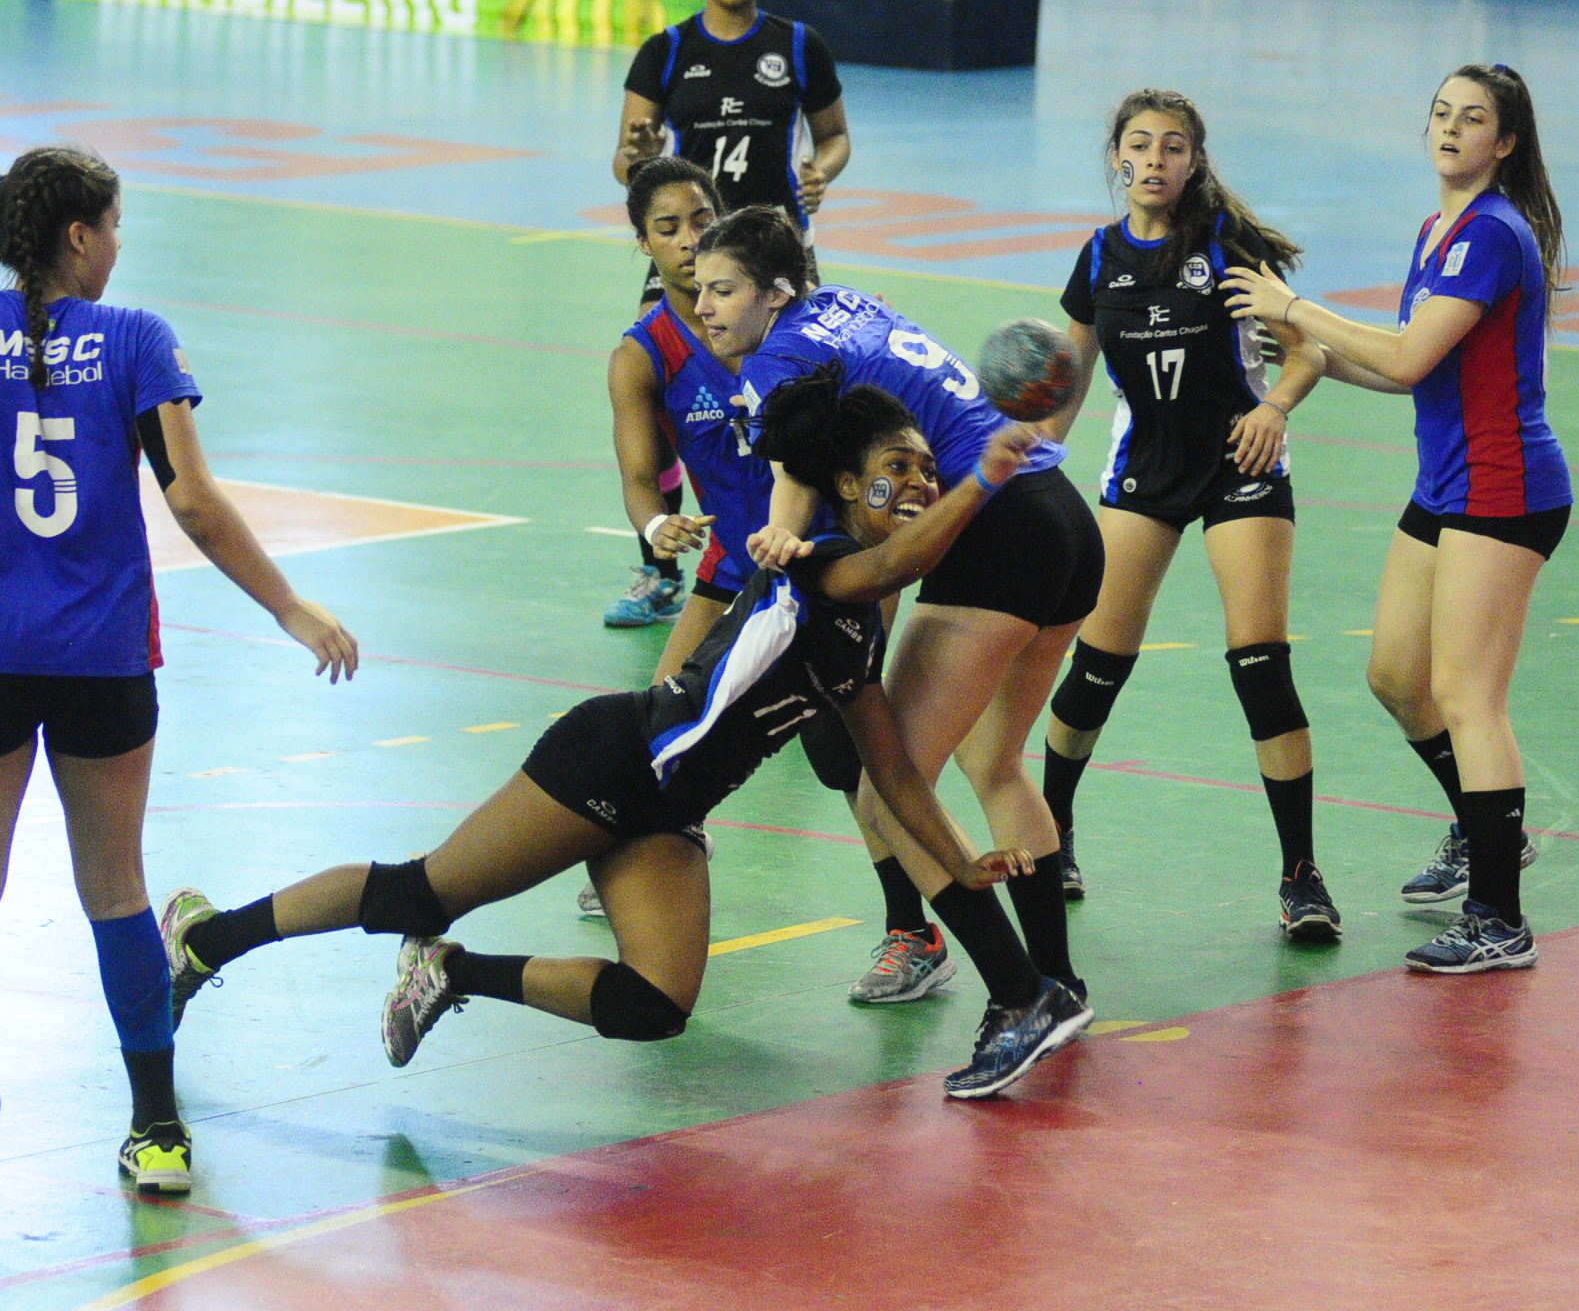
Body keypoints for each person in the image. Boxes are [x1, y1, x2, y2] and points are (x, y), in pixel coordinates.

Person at [162, 373, 1093, 1101]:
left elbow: (890, 768)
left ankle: (450, 976)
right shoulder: (828, 565)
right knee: (420, 891)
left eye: (933, 468)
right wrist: (987, 473)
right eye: (903, 466)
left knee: (654, 1007)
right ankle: (207, 938)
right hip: (608, 763)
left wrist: (963, 866)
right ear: (847, 484)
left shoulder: (859, 621)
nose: (922, 482)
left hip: (669, 807)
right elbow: (903, 556)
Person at [0, 146, 358, 1218]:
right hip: (102, 656)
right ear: (78, 236)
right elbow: (197, 502)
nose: (120, 246)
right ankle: (157, 1130)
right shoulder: (136, 341)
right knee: (117, 888)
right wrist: (289, 606)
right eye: (115, 225)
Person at [697, 205, 1104, 1046]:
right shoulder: (841, 303)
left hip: (995, 529)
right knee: (993, 762)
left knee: (889, 793)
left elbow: (796, 474)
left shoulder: (778, 358)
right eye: (699, 289)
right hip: (1060, 515)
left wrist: (783, 535)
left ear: (775, 292)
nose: (705, 306)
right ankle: (1061, 984)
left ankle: (1017, 992)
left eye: (723, 289)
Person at [1223, 63, 1569, 974]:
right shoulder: (1439, 230)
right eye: (1441, 114)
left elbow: (1413, 355)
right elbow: (1402, 370)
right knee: (1394, 679)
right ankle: (1484, 829)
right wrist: (1316, 354)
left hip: (1505, 489)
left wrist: (1296, 307)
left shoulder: (1494, 234)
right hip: (1448, 486)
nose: (1451, 130)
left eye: (1474, 120)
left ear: (1506, 143)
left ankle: (1500, 917)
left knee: (1468, 698)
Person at [591, 158, 949, 1006]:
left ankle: (915, 930)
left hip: (829, 563)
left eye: (700, 221)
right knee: (662, 726)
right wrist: (655, 529)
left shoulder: (792, 335)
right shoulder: (646, 357)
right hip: (733, 569)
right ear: (640, 241)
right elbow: (644, 475)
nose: (686, 242)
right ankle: (646, 863)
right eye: (668, 228)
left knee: (844, 752)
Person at [1036, 88, 1340, 942]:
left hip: (1240, 463)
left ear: (1194, 162)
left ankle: (1302, 876)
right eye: (1142, 145)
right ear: (1118, 160)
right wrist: (1027, 453)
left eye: (1175, 147)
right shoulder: (1097, 260)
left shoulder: (1226, 247)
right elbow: (1065, 382)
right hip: (1146, 470)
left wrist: (1275, 405)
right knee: (1097, 666)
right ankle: (1052, 832)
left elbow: (1307, 347)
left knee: (1260, 664)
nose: (1157, 159)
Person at [603, 0, 852, 628]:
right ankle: (662, 565)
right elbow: (628, 161)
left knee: (792, 402)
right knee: (668, 400)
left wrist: (823, 171)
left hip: (775, 260)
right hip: (688, 255)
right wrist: (639, 154)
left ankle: (807, 545)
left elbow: (834, 136)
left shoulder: (798, 45)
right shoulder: (669, 51)